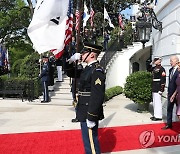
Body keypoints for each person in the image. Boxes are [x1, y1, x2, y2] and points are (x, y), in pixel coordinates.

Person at [71, 42, 105, 154]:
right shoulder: (87, 69)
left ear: (91, 55)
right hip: (83, 108)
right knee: (87, 141)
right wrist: (70, 61)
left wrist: (92, 116)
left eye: (84, 52)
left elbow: (97, 95)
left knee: (91, 143)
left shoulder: (97, 70)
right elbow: (71, 72)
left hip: (89, 110)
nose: (81, 54)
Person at [162, 55, 179, 130]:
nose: (170, 62)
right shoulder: (170, 70)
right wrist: (169, 92)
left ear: (176, 61)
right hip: (170, 93)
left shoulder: (179, 70)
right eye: (170, 61)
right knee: (169, 109)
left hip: (178, 94)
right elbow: (170, 82)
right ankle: (169, 124)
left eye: (171, 61)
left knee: (179, 111)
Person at [150, 57, 166, 121]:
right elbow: (149, 69)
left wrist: (161, 89)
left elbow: (163, 79)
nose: (155, 61)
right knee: (155, 102)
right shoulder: (154, 68)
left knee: (158, 102)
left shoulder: (162, 69)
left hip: (158, 86)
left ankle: (159, 116)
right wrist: (152, 63)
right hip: (154, 86)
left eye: (156, 60)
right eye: (155, 61)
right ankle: (155, 115)